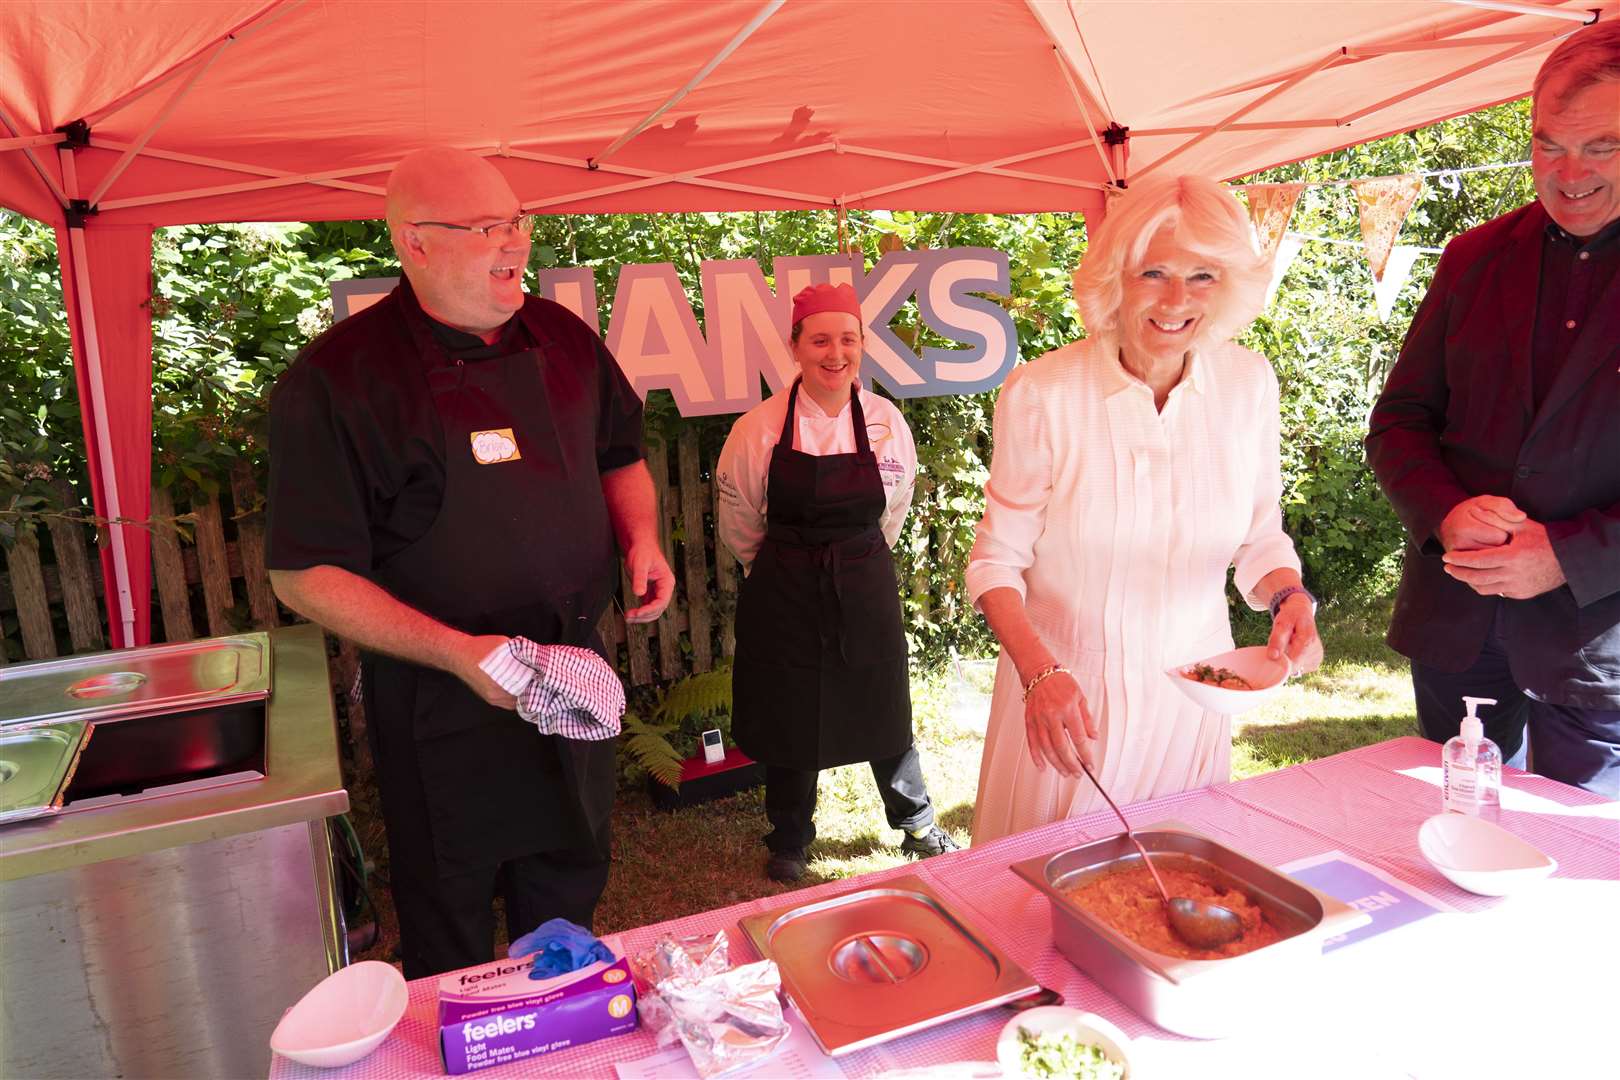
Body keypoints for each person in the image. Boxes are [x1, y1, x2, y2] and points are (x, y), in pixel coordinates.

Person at [265, 147, 675, 977]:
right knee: (448, 916)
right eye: (488, 228)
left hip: (567, 670)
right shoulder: (337, 381)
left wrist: (642, 538)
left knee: (569, 884)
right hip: (439, 700)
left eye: (518, 221)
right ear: (414, 242)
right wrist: (461, 653)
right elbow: (303, 573)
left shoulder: (560, 336)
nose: (516, 244)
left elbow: (619, 452)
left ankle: (563, 1039)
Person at [965, 175, 1323, 844]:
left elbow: (1259, 536)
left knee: (1177, 888)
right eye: (1153, 272)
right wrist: (1039, 674)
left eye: (1203, 276)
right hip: (1069, 705)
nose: (1177, 300)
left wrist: (1288, 598)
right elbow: (994, 564)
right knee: (1043, 904)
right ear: (1114, 277)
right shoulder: (1044, 393)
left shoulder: (1248, 384)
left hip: (1195, 697)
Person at [1365, 21, 1620, 799]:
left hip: (1597, 641)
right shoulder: (1471, 259)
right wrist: (1444, 514)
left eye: (1601, 146)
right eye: (1548, 144)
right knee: (1445, 842)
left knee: (1591, 873)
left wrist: (1567, 555)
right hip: (1456, 624)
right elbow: (1399, 421)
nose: (1567, 173)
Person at [715, 282, 959, 882]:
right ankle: (791, 836)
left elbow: (893, 506)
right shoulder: (760, 428)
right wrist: (777, 569)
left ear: (862, 346)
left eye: (847, 339)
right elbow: (741, 519)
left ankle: (917, 821)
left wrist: (856, 559)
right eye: (820, 339)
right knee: (792, 706)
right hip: (786, 588)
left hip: (862, 578)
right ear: (795, 346)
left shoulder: (884, 423)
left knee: (882, 698)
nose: (835, 353)